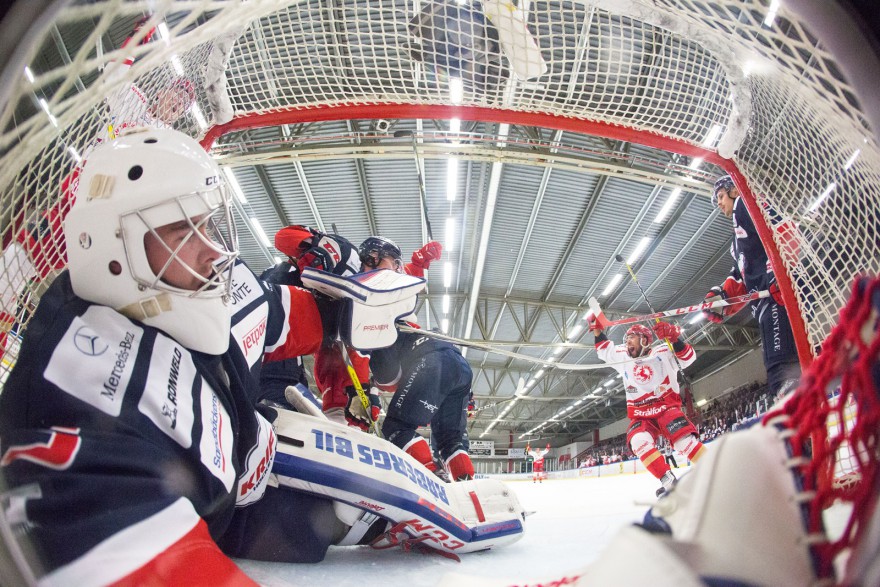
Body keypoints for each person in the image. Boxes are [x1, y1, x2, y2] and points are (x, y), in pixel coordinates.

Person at [0, 128, 357, 584]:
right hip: (225, 510)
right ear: (115, 251)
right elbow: (140, 557)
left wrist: (348, 325)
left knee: (348, 517)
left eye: (206, 223)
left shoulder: (194, 290)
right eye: (180, 228)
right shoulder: (81, 392)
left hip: (241, 486)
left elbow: (277, 315)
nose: (212, 252)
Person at [349, 236, 475, 481]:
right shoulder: (397, 292)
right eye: (366, 260)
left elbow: (376, 368)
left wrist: (365, 389)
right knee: (450, 440)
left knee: (396, 428)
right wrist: (420, 259)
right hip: (456, 363)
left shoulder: (374, 300)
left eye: (373, 258)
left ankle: (432, 481)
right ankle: (468, 491)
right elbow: (401, 274)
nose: (367, 264)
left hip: (432, 361)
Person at [703, 175, 801, 396]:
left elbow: (785, 229)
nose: (719, 203)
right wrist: (722, 299)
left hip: (777, 299)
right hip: (766, 303)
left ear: (734, 191)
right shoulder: (736, 242)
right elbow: (740, 277)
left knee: (783, 374)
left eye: (720, 196)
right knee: (782, 374)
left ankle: (801, 419)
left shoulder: (748, 206)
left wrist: (779, 273)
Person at [592, 320, 705, 496]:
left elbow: (689, 358)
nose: (628, 341)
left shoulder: (663, 352)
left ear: (645, 340)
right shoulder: (623, 356)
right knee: (637, 441)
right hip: (641, 415)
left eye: (633, 337)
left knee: (683, 441)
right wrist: (598, 331)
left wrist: (674, 339)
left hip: (666, 407)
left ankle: (716, 469)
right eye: (627, 337)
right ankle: (668, 481)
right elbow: (605, 350)